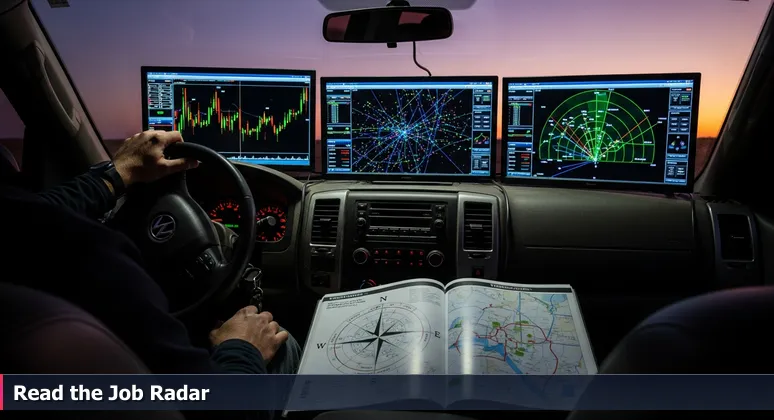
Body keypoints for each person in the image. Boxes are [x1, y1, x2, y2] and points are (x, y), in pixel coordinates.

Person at [0, 130, 301, 378]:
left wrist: (118, 173)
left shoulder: (21, 236)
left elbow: (38, 208)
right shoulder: (97, 260)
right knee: (282, 342)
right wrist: (241, 348)